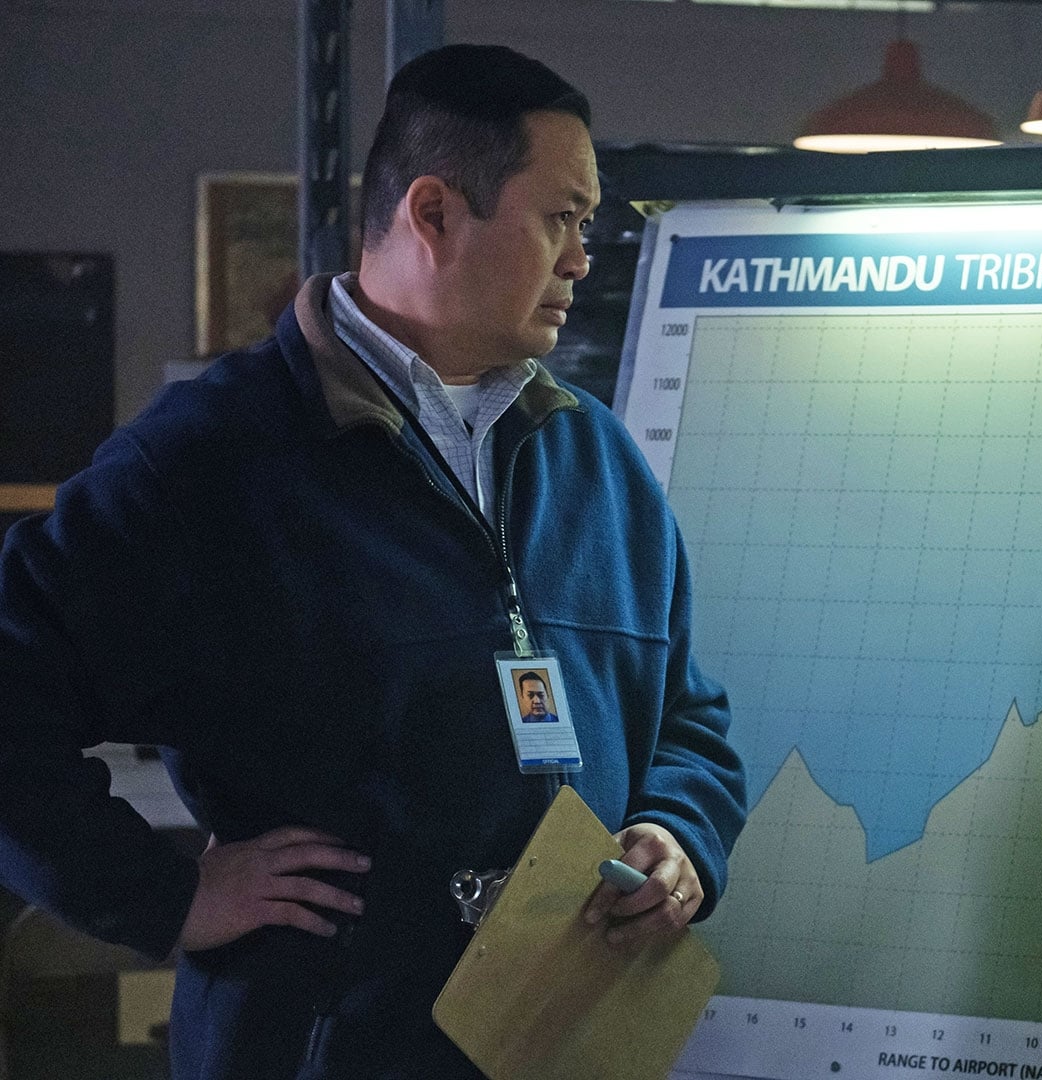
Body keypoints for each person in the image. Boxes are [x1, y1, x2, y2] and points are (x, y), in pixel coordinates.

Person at [0, 45, 746, 1079]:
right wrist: (166, 895)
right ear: (433, 213)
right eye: (561, 218)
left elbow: (688, 717)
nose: (583, 257)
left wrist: (678, 834)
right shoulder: (209, 462)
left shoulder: (597, 460)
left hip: (566, 1046)